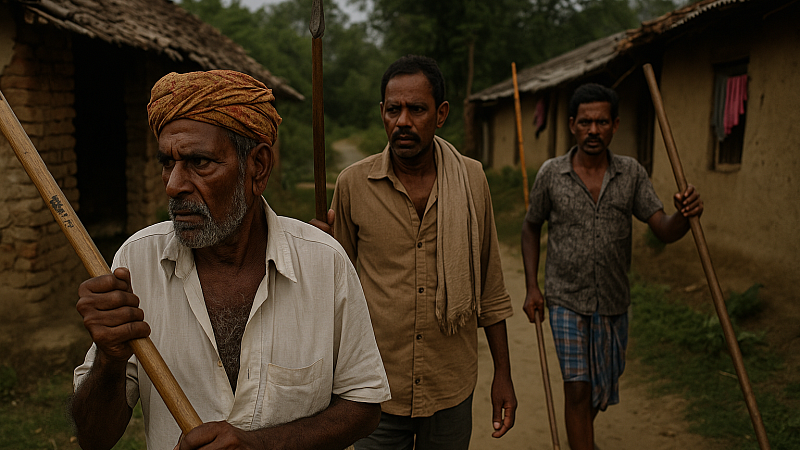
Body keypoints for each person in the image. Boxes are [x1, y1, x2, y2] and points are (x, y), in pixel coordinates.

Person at [70, 70, 390, 450]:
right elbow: (93, 438)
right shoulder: (135, 263)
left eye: (199, 162)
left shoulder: (325, 262)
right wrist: (110, 358)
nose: (173, 184)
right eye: (167, 163)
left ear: (258, 167)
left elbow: (364, 406)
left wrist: (261, 444)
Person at [320, 55, 516, 449]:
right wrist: (318, 250)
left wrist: (503, 375)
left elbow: (490, 286)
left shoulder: (472, 180)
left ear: (441, 114)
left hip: (450, 385)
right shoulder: (353, 184)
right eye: (394, 110)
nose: (403, 121)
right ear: (382, 112)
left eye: (417, 109)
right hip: (376, 389)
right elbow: (336, 291)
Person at [521, 83, 704, 450]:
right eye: (585, 122)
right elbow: (530, 226)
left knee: (599, 391)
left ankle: (582, 442)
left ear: (615, 125)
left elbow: (664, 229)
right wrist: (532, 287)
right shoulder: (552, 174)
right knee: (577, 388)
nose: (593, 130)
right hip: (565, 299)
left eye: (601, 122)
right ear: (572, 124)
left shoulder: (631, 174)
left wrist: (685, 216)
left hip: (613, 302)